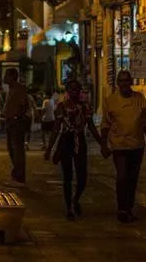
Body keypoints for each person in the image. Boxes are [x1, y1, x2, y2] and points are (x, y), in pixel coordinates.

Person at [101, 69, 146, 223]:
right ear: (117, 83)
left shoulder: (139, 99)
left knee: (132, 178)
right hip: (119, 145)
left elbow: (145, 123)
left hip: (137, 145)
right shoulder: (111, 100)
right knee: (122, 176)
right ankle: (122, 208)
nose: (124, 84)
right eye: (121, 81)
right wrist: (104, 144)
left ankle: (129, 208)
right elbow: (105, 124)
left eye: (127, 80)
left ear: (131, 82)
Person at [44, 79, 103, 220]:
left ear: (80, 90)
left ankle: (76, 198)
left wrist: (102, 143)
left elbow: (91, 126)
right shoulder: (61, 107)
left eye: (76, 89)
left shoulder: (85, 107)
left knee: (82, 176)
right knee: (67, 176)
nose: (74, 92)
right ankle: (69, 208)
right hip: (66, 140)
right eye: (71, 89)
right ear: (68, 91)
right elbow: (56, 128)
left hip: (80, 140)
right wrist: (49, 148)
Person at [3, 68, 29, 186]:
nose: (4, 78)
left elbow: (23, 106)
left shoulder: (19, 88)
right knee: (11, 148)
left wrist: (16, 117)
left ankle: (19, 176)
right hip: (11, 121)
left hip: (16, 123)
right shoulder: (11, 89)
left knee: (17, 149)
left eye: (6, 75)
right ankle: (16, 173)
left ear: (12, 77)